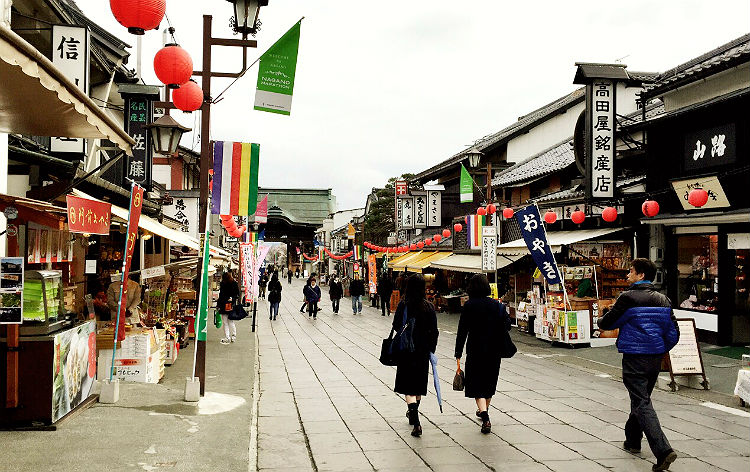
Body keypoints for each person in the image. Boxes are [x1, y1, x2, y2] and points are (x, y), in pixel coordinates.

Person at [597, 258, 679, 472]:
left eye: (631, 271)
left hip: (634, 356)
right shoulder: (663, 299)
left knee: (641, 401)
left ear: (641, 275)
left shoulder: (628, 297)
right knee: (642, 398)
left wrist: (602, 318)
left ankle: (663, 451)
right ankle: (632, 440)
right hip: (654, 357)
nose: (627, 275)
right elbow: (673, 332)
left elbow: (608, 323)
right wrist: (660, 348)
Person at [454, 274, 512, 434]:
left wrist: (458, 352)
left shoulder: (469, 306)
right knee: (489, 382)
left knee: (476, 384)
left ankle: (485, 416)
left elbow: (462, 331)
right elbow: (508, 325)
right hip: (494, 350)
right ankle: (484, 410)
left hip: (475, 350)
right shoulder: (496, 305)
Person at [393, 275, 438, 437]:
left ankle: (415, 420)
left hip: (406, 351)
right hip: (422, 352)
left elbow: (396, 325)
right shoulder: (429, 307)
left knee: (408, 386)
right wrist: (431, 349)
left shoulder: (403, 305)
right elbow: (435, 331)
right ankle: (413, 413)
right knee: (417, 385)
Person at [216, 272, 241, 344]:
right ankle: (233, 336)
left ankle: (227, 337)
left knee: (225, 322)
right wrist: (232, 299)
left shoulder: (223, 284)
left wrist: (218, 305)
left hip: (223, 305)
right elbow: (237, 294)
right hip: (231, 305)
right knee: (231, 322)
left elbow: (221, 295)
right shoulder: (234, 283)